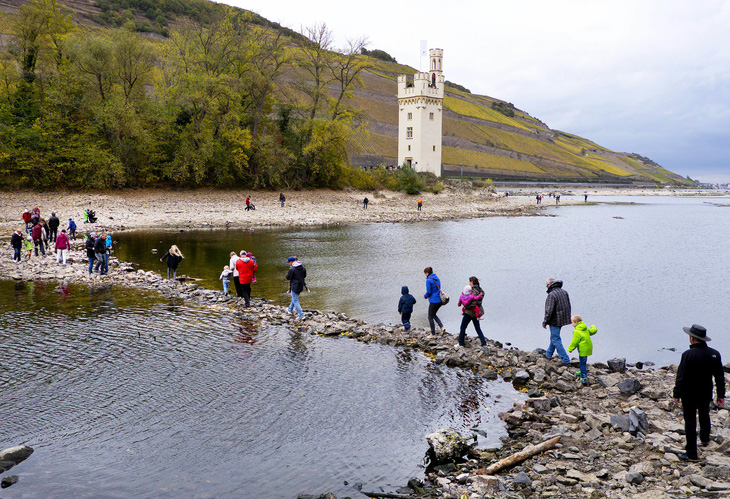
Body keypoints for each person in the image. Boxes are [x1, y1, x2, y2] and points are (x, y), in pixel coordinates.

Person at [673, 324, 725, 462]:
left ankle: (692, 454)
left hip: (688, 393)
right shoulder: (714, 354)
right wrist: (721, 395)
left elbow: (681, 376)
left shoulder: (687, 355)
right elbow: (719, 377)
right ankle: (705, 438)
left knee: (690, 421)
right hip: (705, 392)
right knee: (704, 414)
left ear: (692, 338)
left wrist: (676, 394)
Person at [542, 277, 571, 365]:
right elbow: (568, 306)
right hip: (563, 319)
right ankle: (548, 354)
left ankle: (565, 359)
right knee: (554, 337)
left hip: (555, 320)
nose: (547, 287)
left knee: (555, 339)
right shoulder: (564, 292)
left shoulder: (552, 295)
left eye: (547, 285)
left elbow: (549, 310)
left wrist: (545, 322)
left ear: (550, 284)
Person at [567, 315, 598, 385]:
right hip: (588, 347)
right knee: (584, 361)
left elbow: (574, 342)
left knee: (582, 363)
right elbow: (592, 331)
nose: (572, 324)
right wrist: (593, 326)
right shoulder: (585, 328)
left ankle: (584, 377)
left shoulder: (577, 331)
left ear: (576, 322)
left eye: (572, 322)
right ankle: (582, 371)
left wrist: (570, 348)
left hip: (583, 349)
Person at [457, 277, 487, 348]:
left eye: (469, 282)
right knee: (477, 328)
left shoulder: (473, 290)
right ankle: (484, 343)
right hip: (477, 312)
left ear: (472, 282)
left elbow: (473, 302)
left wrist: (465, 306)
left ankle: (461, 343)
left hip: (470, 312)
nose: (469, 283)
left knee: (463, 327)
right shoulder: (481, 290)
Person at [423, 267, 446, 335]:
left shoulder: (428, 280)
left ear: (427, 273)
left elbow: (429, 291)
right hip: (439, 300)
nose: (425, 275)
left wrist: (425, 296)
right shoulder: (437, 278)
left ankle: (433, 334)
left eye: (425, 273)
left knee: (430, 317)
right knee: (433, 314)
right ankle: (442, 327)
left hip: (433, 301)